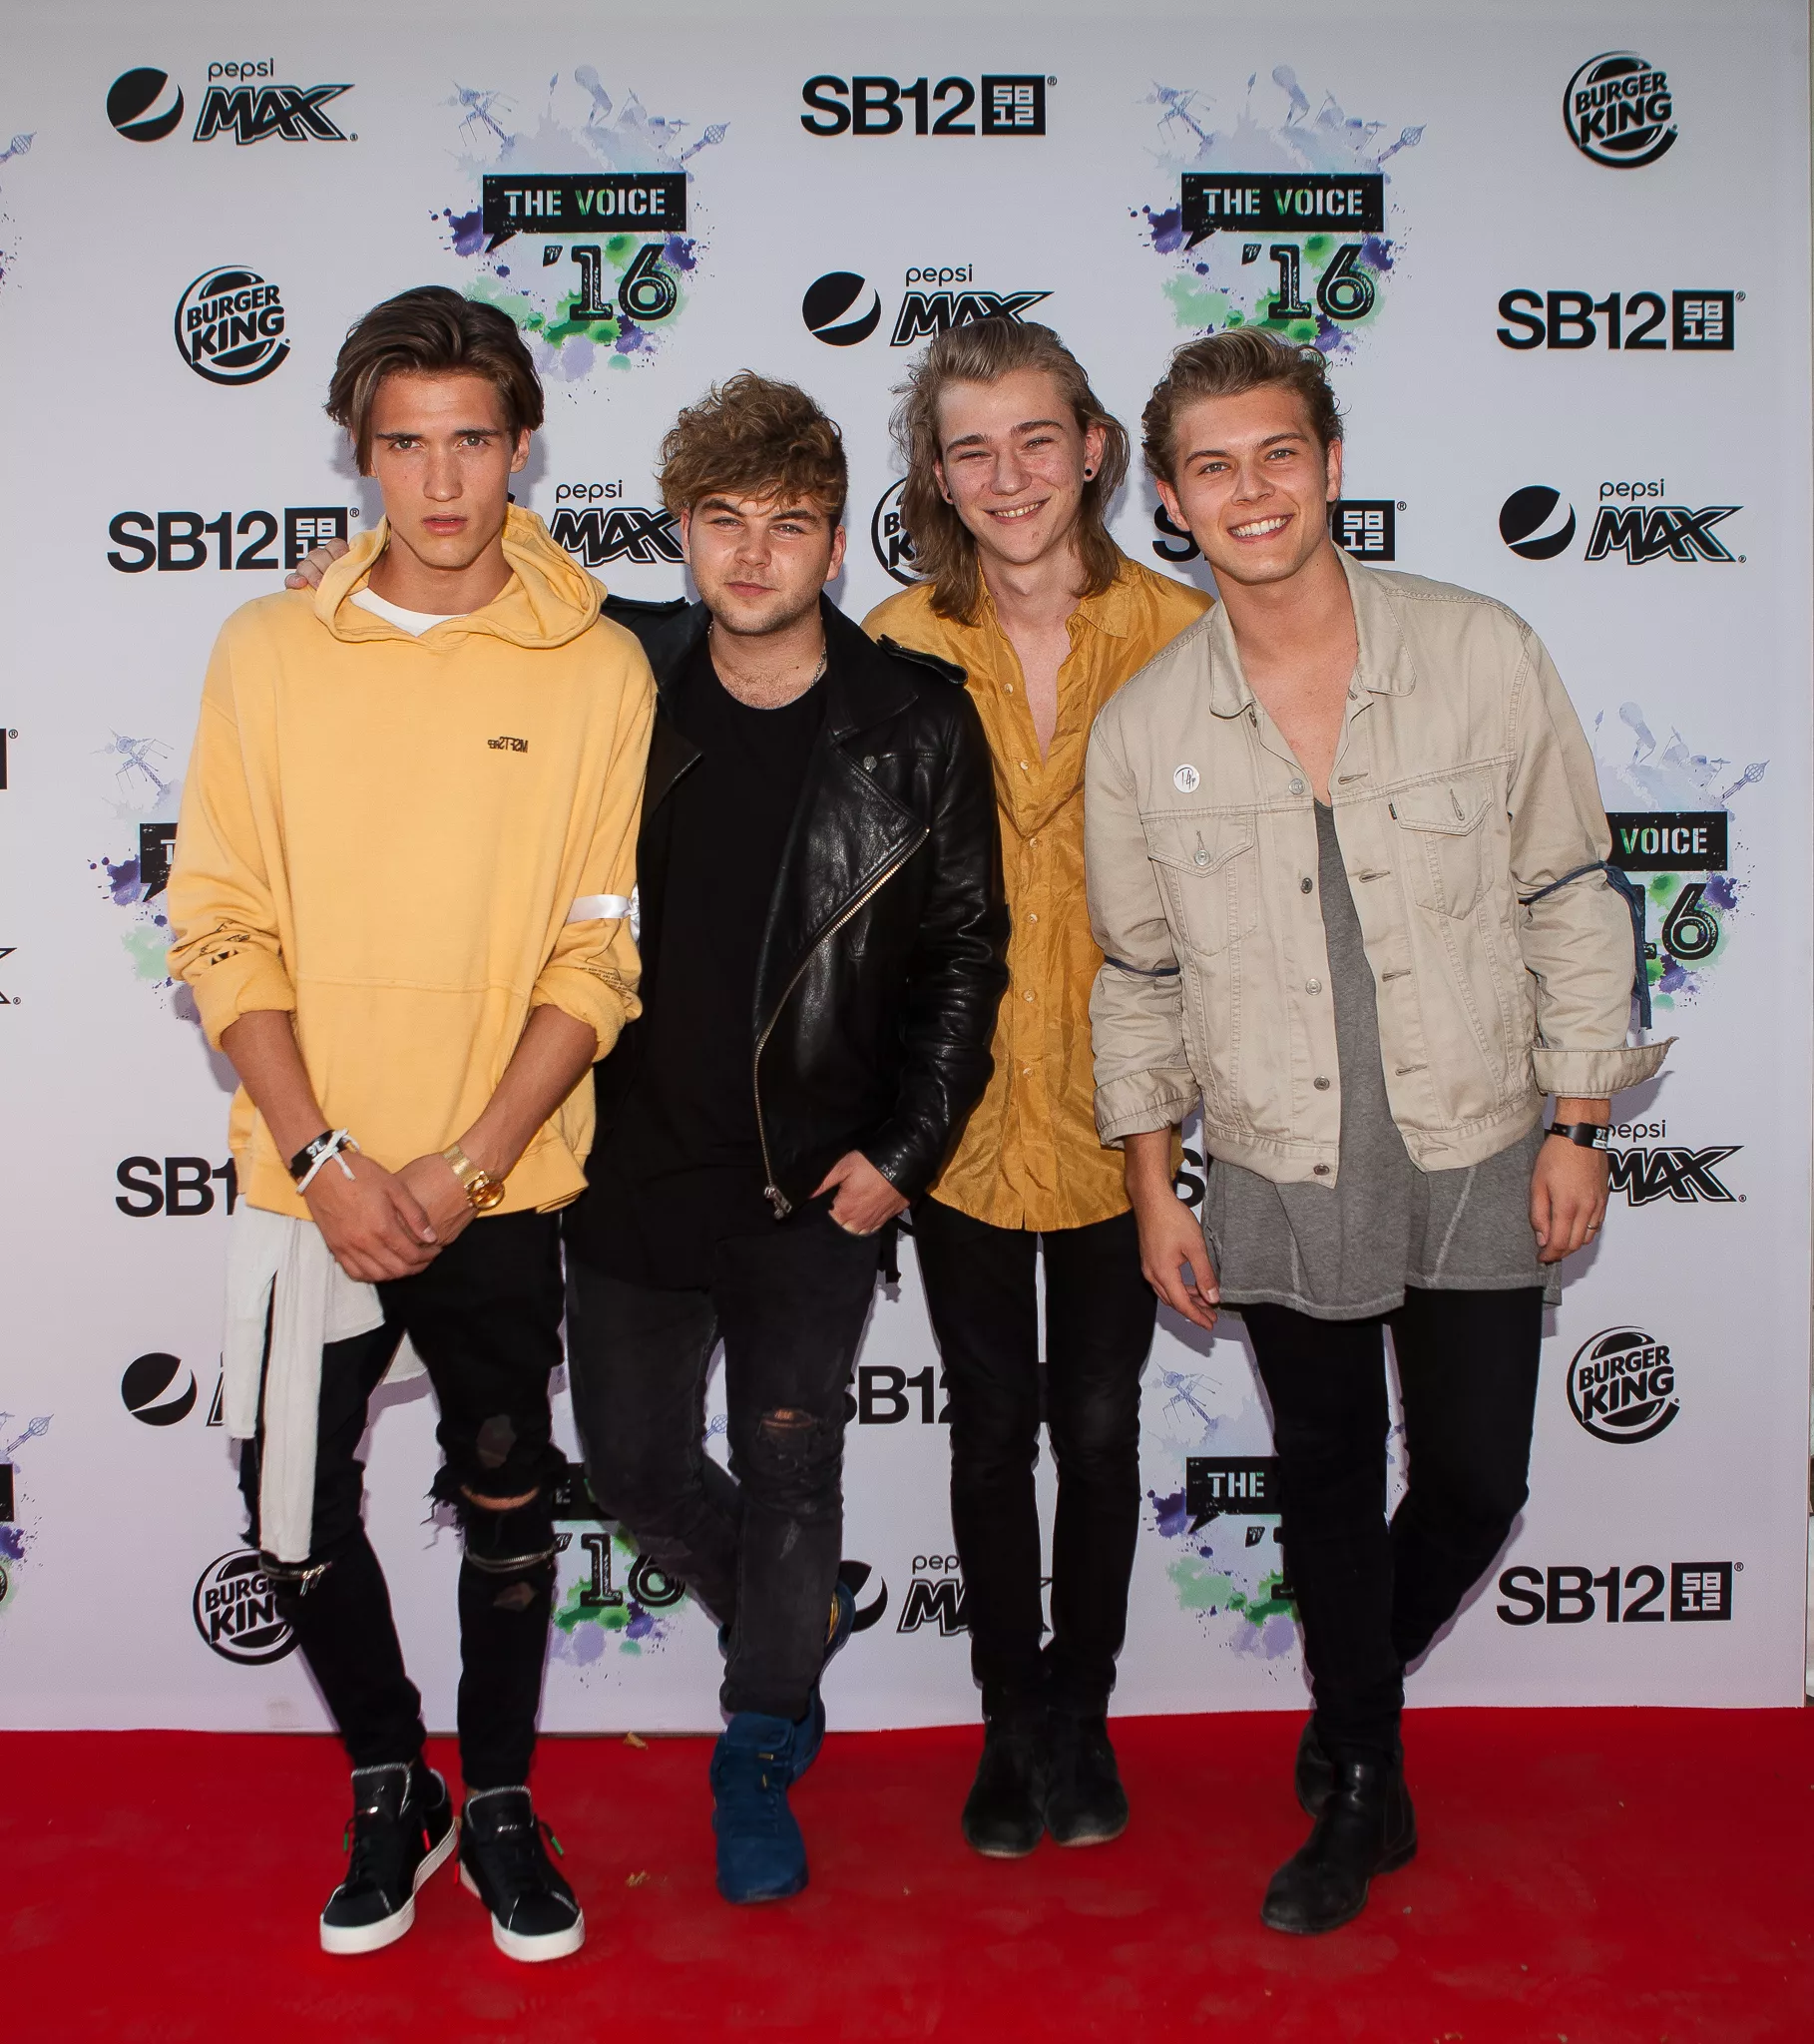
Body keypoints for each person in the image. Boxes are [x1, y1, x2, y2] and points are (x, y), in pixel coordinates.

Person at [1085, 327, 1668, 1934]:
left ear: (1331, 465)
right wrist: (1153, 1187)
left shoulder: (1480, 650)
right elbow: (1136, 981)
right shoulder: (1142, 728)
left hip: (1480, 1132)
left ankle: (1357, 1699)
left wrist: (1578, 1120)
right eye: (1211, 467)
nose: (1249, 491)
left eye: (1277, 453)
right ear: (1170, 503)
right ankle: (1358, 1776)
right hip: (1276, 1157)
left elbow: (1571, 894)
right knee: (1329, 1478)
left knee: (1474, 1479)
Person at [168, 286, 655, 1962]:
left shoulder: (598, 665)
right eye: (404, 443)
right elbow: (219, 924)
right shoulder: (266, 649)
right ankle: (395, 1777)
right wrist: (323, 1157)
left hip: (494, 1188)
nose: (441, 481)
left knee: (508, 1497)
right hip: (307, 1183)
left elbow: (598, 952)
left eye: (471, 440)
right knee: (291, 1513)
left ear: (521, 446)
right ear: (360, 454)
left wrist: (468, 1162)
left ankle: (502, 1795)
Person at [560, 373, 1008, 1903]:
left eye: (790, 523)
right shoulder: (616, 670)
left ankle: (757, 1740)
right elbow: (463, 594)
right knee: (631, 1467)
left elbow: (963, 955)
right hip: (624, 1166)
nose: (753, 554)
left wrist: (905, 1152)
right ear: (680, 530)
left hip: (814, 1185)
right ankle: (789, 1615)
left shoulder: (911, 721)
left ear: (836, 541)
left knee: (791, 1468)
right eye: (723, 520)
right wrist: (346, 573)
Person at [864, 318, 1210, 1856]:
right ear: (936, 477)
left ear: (1090, 450)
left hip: (1130, 1111)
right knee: (990, 1427)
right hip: (952, 1117)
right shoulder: (892, 644)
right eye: (970, 448)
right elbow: (707, 674)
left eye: (1032, 439)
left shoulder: (1186, 634)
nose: (1006, 475)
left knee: (1104, 1425)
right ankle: (1009, 1720)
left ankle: (1083, 1711)